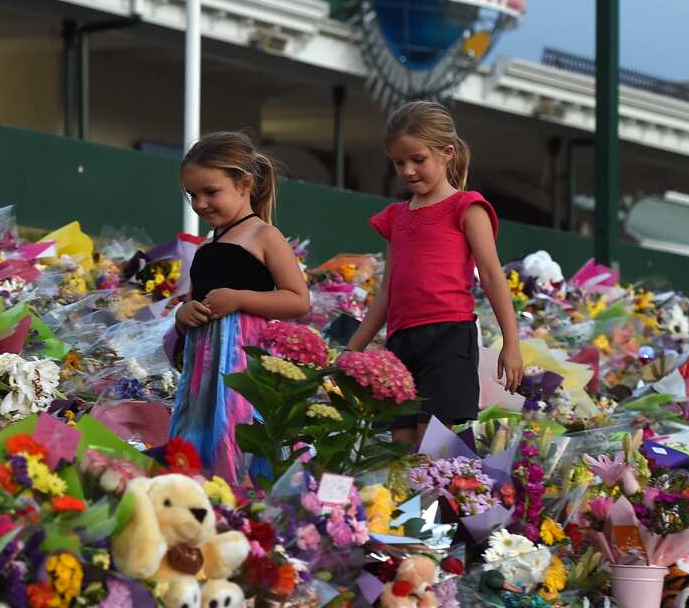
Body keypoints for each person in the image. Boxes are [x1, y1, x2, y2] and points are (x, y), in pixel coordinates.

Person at [347, 100, 524, 446]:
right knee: (398, 448)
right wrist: (353, 349)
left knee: (432, 445)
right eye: (399, 163)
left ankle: (444, 500)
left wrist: (511, 343)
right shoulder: (396, 217)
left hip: (448, 338)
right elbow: (388, 291)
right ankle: (401, 503)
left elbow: (490, 274)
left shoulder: (467, 206)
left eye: (418, 160)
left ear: (446, 153)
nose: (408, 171)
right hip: (401, 341)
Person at [165, 131, 310, 481]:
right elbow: (192, 304)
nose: (200, 204)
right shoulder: (203, 250)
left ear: (244, 183)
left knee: (238, 436)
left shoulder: (264, 236)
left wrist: (239, 298)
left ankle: (244, 503)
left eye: (210, 192)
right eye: (192, 195)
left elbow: (298, 299)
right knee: (200, 439)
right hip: (204, 374)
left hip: (245, 367)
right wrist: (183, 316)